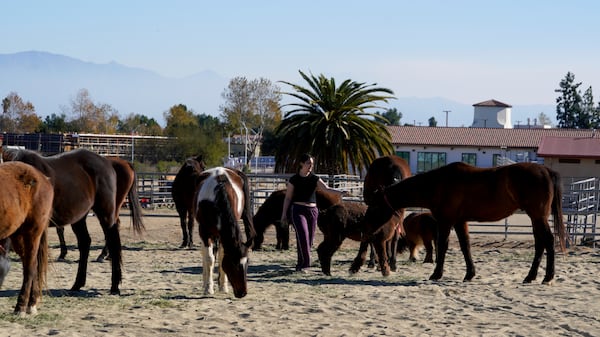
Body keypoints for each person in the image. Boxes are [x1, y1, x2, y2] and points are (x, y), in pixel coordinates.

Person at [280, 153, 347, 272]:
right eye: (308, 163)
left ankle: (300, 263)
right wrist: (284, 214)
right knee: (303, 236)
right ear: (302, 163)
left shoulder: (314, 178)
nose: (311, 165)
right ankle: (306, 264)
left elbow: (326, 188)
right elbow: (288, 198)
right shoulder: (294, 179)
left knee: (309, 240)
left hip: (312, 211)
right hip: (298, 210)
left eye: (312, 163)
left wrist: (340, 192)